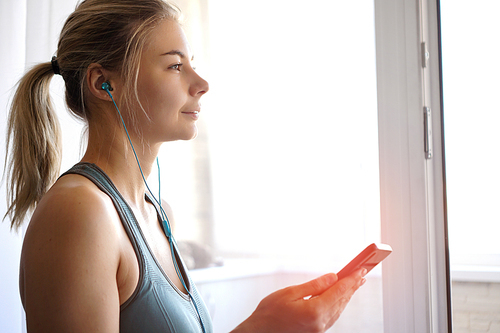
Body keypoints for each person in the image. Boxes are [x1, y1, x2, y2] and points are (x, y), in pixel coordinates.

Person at [4, 0, 367, 332]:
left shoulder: (158, 214)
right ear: (104, 83)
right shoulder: (81, 213)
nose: (202, 84)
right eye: (175, 65)